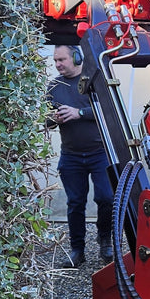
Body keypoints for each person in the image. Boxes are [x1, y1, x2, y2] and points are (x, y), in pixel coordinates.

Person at [47, 45, 114, 267]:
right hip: (71, 156)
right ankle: (77, 250)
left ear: (76, 57)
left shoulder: (94, 80)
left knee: (106, 198)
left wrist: (80, 113)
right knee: (75, 203)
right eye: (55, 60)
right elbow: (43, 120)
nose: (57, 64)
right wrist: (52, 119)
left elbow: (109, 111)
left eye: (61, 59)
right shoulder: (54, 86)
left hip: (99, 153)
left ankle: (105, 239)